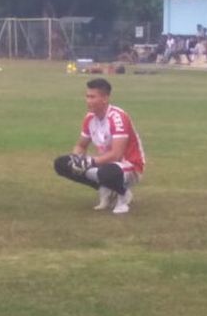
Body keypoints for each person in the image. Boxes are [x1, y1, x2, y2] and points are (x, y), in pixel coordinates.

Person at [53, 78, 145, 214]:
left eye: (92, 97)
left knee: (107, 172)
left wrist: (90, 162)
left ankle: (123, 195)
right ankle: (106, 188)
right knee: (62, 164)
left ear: (105, 98)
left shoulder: (117, 118)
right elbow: (81, 145)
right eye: (87, 96)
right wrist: (77, 159)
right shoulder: (90, 118)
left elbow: (117, 154)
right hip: (106, 163)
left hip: (130, 165)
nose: (88, 101)